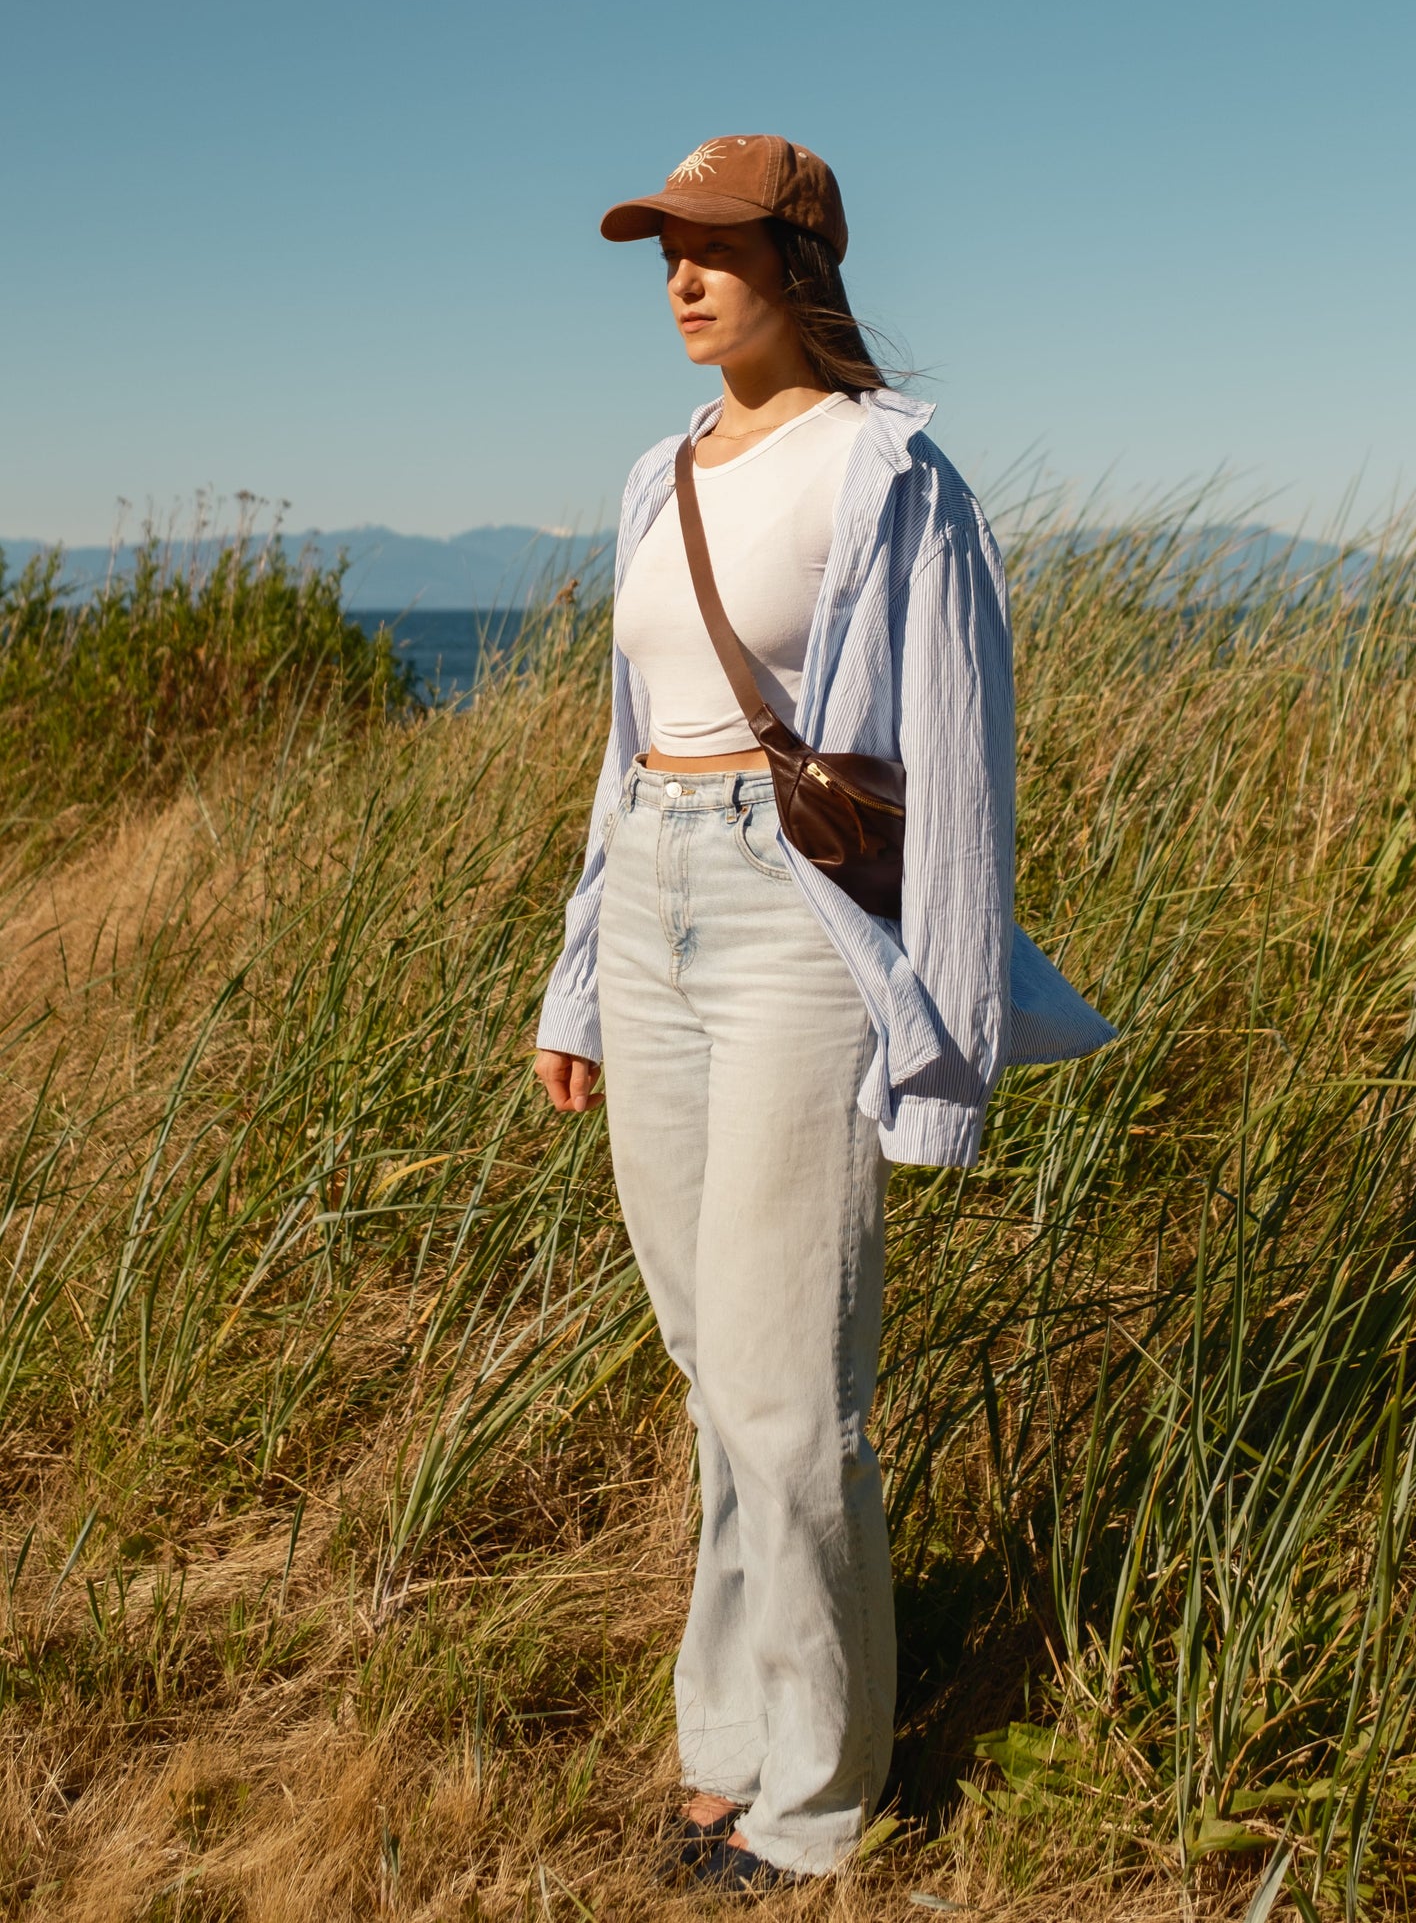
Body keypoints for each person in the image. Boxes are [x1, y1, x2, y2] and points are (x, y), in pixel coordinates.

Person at [532, 135, 1113, 1893]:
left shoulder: (890, 473)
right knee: (719, 1368)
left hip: (796, 935)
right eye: (664, 255)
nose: (684, 280)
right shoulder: (660, 472)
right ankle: (729, 1736)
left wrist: (937, 1065)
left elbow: (953, 774)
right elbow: (623, 756)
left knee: (793, 1389)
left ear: (802, 263)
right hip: (651, 903)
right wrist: (578, 979)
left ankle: (809, 1803)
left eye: (718, 250)